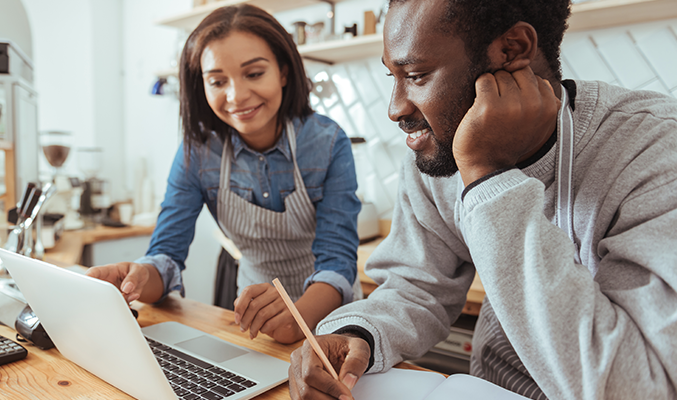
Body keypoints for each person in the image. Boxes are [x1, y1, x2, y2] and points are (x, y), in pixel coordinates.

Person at [288, 0, 677, 399]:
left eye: (418, 75)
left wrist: (486, 175)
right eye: (393, 76)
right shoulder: (437, 149)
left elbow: (638, 385)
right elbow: (418, 285)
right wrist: (358, 333)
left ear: (512, 50)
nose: (395, 108)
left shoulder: (656, 149)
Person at [86, 4, 361, 345]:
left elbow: (338, 262)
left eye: (255, 73)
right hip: (253, 324)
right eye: (218, 81)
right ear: (201, 85)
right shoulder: (197, 152)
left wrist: (298, 319)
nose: (236, 96)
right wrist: (139, 277)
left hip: (328, 319)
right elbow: (167, 256)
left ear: (284, 72)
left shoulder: (326, 142)